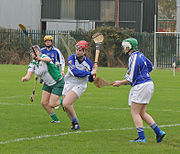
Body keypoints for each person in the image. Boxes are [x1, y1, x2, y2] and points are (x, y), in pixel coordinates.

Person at [113, 38, 166, 143]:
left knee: (134, 112)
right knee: (142, 112)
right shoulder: (141, 55)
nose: (124, 49)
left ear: (129, 47)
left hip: (141, 86)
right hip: (149, 84)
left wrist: (120, 82)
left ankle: (142, 138)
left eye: (125, 47)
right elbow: (151, 67)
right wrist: (142, 76)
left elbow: (130, 78)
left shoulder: (133, 57)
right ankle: (159, 132)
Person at [21, 45, 64, 123]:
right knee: (44, 103)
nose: (34, 53)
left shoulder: (44, 56)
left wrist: (40, 58)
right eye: (32, 53)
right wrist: (25, 78)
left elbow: (48, 59)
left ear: (39, 52)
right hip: (47, 84)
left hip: (57, 82)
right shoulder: (32, 63)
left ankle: (63, 101)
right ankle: (56, 120)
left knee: (52, 104)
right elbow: (28, 75)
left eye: (36, 51)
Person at [62, 40, 97, 130]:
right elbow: (75, 72)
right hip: (69, 83)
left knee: (66, 103)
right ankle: (74, 123)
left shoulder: (89, 63)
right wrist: (90, 72)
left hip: (80, 85)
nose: (78, 51)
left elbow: (90, 80)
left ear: (85, 51)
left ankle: (76, 122)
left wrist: (93, 76)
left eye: (80, 50)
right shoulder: (71, 59)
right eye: (77, 49)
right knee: (65, 106)